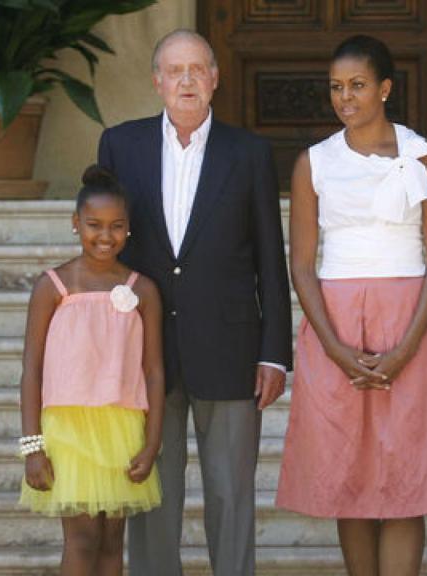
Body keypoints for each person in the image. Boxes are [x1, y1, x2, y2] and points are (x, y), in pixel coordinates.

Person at [275, 34, 427, 576]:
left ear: (385, 89)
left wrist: (407, 347)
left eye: (358, 85)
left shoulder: (423, 156)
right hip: (336, 325)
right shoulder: (313, 163)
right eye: (336, 87)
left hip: (412, 320)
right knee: (351, 476)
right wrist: (335, 348)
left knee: (406, 480)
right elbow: (302, 264)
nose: (345, 97)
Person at [97, 29, 293, 576]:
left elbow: (270, 259)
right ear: (156, 81)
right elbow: (105, 251)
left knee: (232, 495)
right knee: (150, 495)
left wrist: (274, 353)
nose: (187, 80)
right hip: (144, 351)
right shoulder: (120, 145)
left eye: (197, 69)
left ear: (215, 79)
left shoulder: (249, 152)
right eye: (175, 70)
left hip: (231, 348)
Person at [18, 165, 164, 575]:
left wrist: (152, 442)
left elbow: (154, 371)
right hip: (68, 431)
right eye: (94, 225)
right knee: (82, 540)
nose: (105, 236)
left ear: (129, 228)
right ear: (75, 223)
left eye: (116, 226)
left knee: (111, 542)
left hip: (121, 428)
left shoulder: (142, 289)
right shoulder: (52, 286)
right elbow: (32, 369)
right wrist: (33, 446)